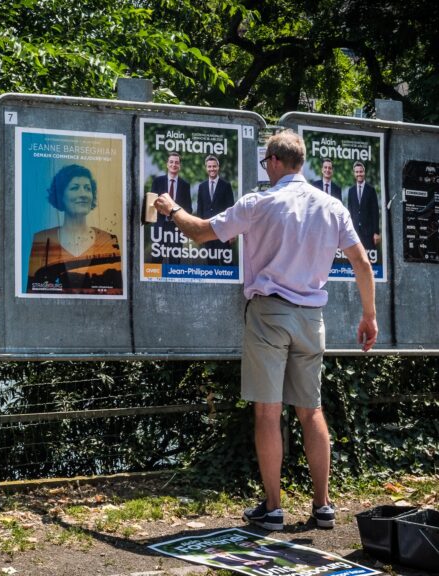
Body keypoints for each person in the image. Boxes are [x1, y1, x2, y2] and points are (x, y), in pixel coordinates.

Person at [154, 129, 377, 531]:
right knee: (311, 411)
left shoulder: (259, 203)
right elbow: (361, 263)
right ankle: (323, 506)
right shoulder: (332, 207)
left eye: (265, 163)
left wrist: (170, 208)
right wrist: (369, 315)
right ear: (301, 162)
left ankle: (273, 508)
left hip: (270, 314)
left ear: (274, 160)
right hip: (312, 317)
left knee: (268, 412)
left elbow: (201, 231)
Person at [26, 164, 122, 294]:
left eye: (88, 188)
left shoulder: (109, 240)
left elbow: (115, 294)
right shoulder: (42, 240)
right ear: (60, 195)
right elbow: (33, 293)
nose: (83, 194)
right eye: (75, 188)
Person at [195, 155, 236, 264]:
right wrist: (199, 231)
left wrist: (232, 233)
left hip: (223, 231)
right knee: (211, 262)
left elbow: (230, 210)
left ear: (218, 167)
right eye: (209, 167)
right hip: (208, 230)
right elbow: (200, 209)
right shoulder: (201, 186)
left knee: (226, 262)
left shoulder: (226, 185)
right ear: (206, 168)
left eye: (214, 166)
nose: (212, 169)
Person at [345, 161, 380, 249]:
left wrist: (376, 232)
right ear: (354, 174)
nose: (359, 174)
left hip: (368, 233)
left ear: (364, 172)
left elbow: (375, 212)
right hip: (355, 232)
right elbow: (350, 211)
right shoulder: (351, 190)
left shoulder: (371, 190)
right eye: (357, 172)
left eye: (361, 171)